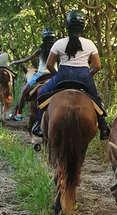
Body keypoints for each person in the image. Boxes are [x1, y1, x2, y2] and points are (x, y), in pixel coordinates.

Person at [31, 10, 110, 140]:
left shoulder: (59, 43)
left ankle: (39, 126)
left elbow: (50, 65)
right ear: (82, 27)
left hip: (63, 75)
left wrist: (58, 76)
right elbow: (97, 66)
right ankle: (104, 127)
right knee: (96, 100)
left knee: (41, 95)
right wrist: (89, 76)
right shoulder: (90, 44)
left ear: (67, 25)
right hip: (84, 76)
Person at [9, 28, 57, 121]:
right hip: (54, 75)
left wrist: (14, 62)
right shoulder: (57, 49)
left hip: (40, 75)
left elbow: (26, 59)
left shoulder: (40, 49)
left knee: (23, 92)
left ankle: (19, 113)